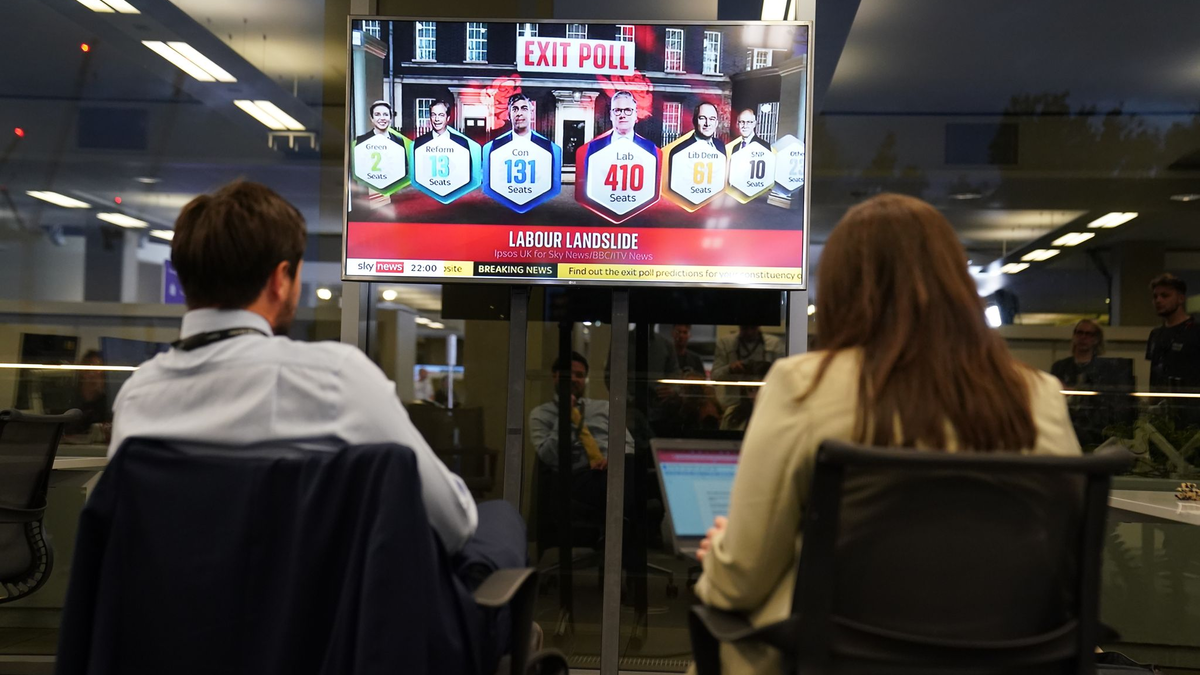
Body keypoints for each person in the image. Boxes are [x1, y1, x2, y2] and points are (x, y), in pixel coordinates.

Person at [108, 180, 526, 669]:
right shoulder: (335, 381)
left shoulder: (137, 401)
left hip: (185, 640)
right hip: (332, 641)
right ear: (280, 279)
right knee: (496, 520)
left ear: (185, 278)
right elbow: (452, 525)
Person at [692, 194, 1081, 675]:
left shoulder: (803, 385)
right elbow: (1067, 567)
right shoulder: (1040, 395)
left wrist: (722, 560)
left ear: (839, 291)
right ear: (958, 284)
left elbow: (741, 581)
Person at [529, 351, 634, 511]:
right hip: (578, 475)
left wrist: (613, 459)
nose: (573, 379)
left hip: (616, 467)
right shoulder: (541, 414)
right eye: (568, 374)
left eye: (579, 375)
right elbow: (548, 457)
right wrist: (564, 415)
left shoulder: (604, 407)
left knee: (640, 470)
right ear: (555, 376)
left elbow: (628, 443)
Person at [1146, 273, 1200, 391]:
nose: (1158, 300)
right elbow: (1154, 374)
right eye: (1155, 296)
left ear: (1181, 299)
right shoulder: (1155, 334)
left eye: (1165, 296)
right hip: (1161, 398)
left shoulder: (1195, 331)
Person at [711, 325, 784, 408]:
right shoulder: (726, 343)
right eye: (745, 328)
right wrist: (730, 369)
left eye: (753, 327)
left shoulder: (774, 343)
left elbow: (782, 376)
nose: (749, 332)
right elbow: (714, 377)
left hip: (766, 402)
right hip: (734, 403)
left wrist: (766, 370)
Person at [66, 349, 110, 437]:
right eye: (90, 368)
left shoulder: (105, 402)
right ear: (82, 371)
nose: (93, 374)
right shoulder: (70, 398)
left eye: (98, 369)